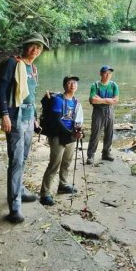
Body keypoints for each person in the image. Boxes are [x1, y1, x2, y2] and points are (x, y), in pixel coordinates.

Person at [0, 32, 49, 224]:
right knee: (16, 161)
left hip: (28, 119)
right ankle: (15, 206)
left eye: (39, 47)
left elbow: (32, 95)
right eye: (32, 46)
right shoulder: (14, 63)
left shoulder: (33, 68)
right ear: (25, 46)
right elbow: (2, 88)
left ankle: (19, 189)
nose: (35, 50)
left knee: (24, 156)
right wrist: (4, 114)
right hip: (15, 118)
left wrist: (35, 117)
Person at [39, 76, 84, 206]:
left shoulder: (76, 102)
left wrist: (79, 131)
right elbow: (56, 120)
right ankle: (45, 194)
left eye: (74, 83)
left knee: (67, 162)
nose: (72, 85)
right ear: (65, 86)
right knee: (54, 164)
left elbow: (78, 120)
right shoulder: (58, 100)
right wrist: (71, 133)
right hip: (57, 136)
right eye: (69, 83)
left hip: (70, 136)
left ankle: (63, 185)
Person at [86, 65, 119, 164]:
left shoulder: (114, 85)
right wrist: (108, 100)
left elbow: (116, 100)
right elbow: (92, 100)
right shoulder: (95, 85)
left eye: (109, 73)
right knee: (95, 133)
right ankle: (90, 155)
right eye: (105, 72)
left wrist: (100, 99)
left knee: (109, 132)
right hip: (98, 112)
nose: (107, 74)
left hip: (110, 111)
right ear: (101, 74)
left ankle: (106, 153)